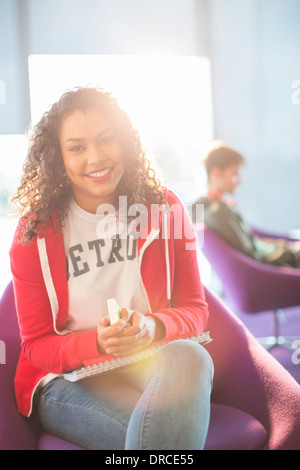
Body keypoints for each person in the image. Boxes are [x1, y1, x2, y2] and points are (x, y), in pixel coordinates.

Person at [9, 86, 214, 450]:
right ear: (58, 156)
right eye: (76, 147)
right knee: (158, 441)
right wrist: (97, 342)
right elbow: (36, 346)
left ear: (126, 142)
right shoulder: (33, 233)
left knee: (190, 355)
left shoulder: (165, 208)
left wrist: (152, 327)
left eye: (107, 140)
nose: (96, 157)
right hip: (67, 378)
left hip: (148, 358)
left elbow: (195, 310)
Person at [192, 140, 300, 268]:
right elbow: (254, 256)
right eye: (234, 175)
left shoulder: (208, 208)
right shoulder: (220, 212)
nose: (239, 181)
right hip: (270, 267)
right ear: (216, 174)